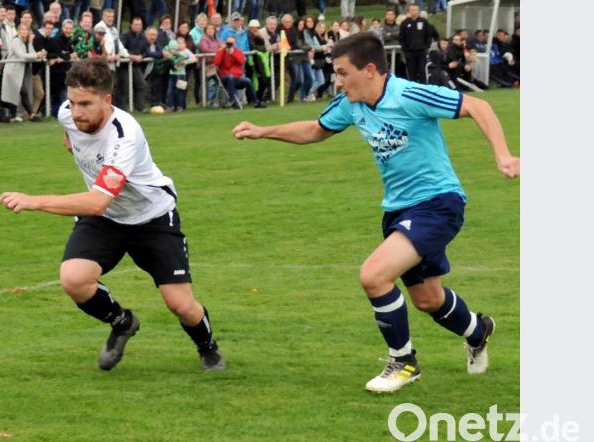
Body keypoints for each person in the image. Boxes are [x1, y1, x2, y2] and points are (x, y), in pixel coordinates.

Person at [231, 32, 519, 393]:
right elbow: (314, 129)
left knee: (374, 275)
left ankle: (404, 362)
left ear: (369, 70)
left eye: (341, 72)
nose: (337, 80)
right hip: (398, 210)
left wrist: (503, 155)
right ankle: (479, 330)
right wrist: (262, 131)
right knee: (428, 298)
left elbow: (479, 107)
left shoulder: (409, 94)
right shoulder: (351, 105)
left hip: (438, 203)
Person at [0, 58, 226, 372]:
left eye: (86, 104)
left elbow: (96, 203)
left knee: (180, 305)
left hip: (151, 217)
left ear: (107, 100)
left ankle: (208, 347)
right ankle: (122, 322)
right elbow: (71, 140)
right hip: (108, 220)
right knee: (73, 279)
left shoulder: (124, 135)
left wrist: (33, 201)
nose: (76, 112)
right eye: (73, 102)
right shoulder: (68, 115)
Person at [2, 22, 48, 122]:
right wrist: (37, 55)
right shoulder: (15, 41)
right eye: (22, 29)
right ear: (18, 31)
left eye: (26, 29)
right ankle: (28, 114)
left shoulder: (26, 42)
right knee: (18, 92)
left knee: (21, 92)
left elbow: (31, 54)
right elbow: (21, 55)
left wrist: (34, 48)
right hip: (13, 71)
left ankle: (14, 115)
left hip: (22, 70)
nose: (24, 31)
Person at [214, 36, 266, 109]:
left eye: (232, 43)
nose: (230, 45)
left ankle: (255, 102)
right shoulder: (221, 52)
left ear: (235, 44)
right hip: (225, 78)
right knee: (230, 77)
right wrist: (223, 51)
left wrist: (233, 54)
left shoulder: (238, 51)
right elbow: (216, 63)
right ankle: (231, 101)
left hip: (237, 78)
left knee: (248, 80)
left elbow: (242, 61)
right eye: (228, 43)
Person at [399, 3, 438, 83]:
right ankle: (413, 90)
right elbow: (401, 38)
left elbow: (429, 34)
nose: (413, 12)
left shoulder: (424, 22)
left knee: (422, 71)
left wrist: (426, 47)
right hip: (410, 53)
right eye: (412, 10)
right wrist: (405, 50)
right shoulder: (405, 23)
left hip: (422, 51)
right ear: (409, 11)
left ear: (418, 11)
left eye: (415, 10)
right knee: (411, 73)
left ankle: (423, 89)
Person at [121, 17, 150, 112]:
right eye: (136, 25)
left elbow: (146, 51)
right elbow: (122, 49)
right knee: (125, 87)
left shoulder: (143, 37)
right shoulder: (125, 35)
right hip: (124, 66)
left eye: (140, 25)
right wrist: (132, 56)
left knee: (142, 85)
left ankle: (140, 107)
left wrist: (141, 56)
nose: (138, 27)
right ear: (131, 25)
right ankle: (125, 109)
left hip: (136, 66)